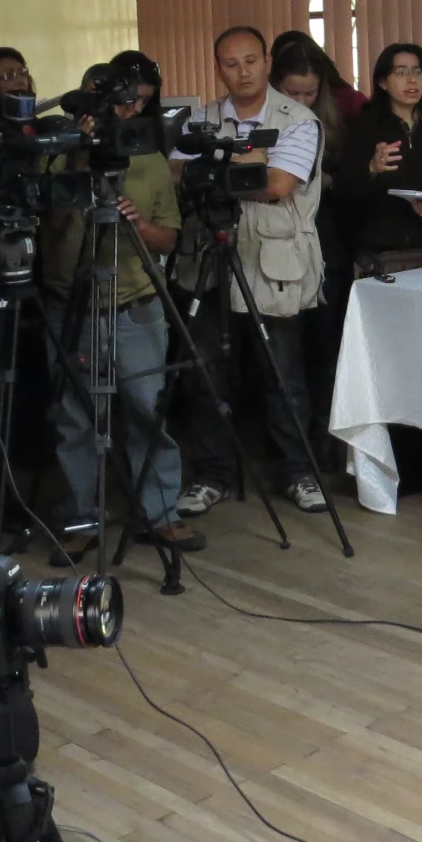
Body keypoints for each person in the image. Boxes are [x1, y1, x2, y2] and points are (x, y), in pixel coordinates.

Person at [37, 55, 199, 550]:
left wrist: (137, 224)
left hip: (135, 306)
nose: (132, 111)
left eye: (143, 103)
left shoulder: (147, 154)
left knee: (147, 412)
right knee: (75, 418)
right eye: (127, 100)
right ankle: (82, 519)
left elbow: (169, 240)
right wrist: (80, 164)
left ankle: (160, 511)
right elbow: (51, 228)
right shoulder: (55, 151)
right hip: (72, 305)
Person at [172, 27, 328, 516]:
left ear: (266, 62)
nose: (242, 72)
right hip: (208, 258)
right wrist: (246, 165)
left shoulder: (299, 119)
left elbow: (279, 184)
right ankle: (210, 475)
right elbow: (179, 177)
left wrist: (216, 173)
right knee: (206, 372)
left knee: (282, 373)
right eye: (230, 64)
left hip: (272, 261)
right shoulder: (199, 118)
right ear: (218, 67)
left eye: (250, 61)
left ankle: (299, 472)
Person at [271, 41, 350, 474]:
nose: (301, 103)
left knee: (325, 356)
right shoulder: (265, 126)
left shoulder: (331, 127)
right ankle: (292, 458)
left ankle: (325, 452)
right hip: (278, 252)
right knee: (286, 363)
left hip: (326, 251)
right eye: (292, 94)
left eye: (309, 94)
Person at [337, 43, 422, 277]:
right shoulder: (364, 126)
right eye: (401, 72)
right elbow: (343, 192)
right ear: (383, 82)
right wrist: (372, 168)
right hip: (380, 256)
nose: (411, 80)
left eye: (417, 72)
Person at [273, 31, 367, 126]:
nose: (301, 101)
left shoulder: (346, 104)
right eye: (293, 93)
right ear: (276, 86)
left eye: (310, 93)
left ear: (320, 88)